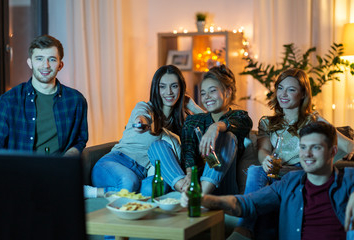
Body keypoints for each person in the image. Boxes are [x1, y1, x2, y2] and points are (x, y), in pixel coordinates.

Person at [181, 121, 354, 240]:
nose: (307, 154)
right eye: (303, 147)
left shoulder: (349, 180)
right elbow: (246, 203)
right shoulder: (290, 183)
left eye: (315, 148)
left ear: (333, 152)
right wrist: (203, 199)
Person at [234, 68, 354, 239]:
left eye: (291, 89)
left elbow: (349, 147)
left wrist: (319, 119)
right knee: (256, 170)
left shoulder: (312, 123)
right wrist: (266, 159)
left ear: (303, 94)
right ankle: (243, 229)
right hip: (274, 172)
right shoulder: (267, 122)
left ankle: (243, 229)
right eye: (280, 88)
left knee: (265, 174)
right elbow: (263, 150)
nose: (283, 94)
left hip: (299, 174)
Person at [90, 65, 203, 198]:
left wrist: (193, 106)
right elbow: (143, 116)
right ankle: (89, 192)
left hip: (142, 174)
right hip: (116, 162)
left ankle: (131, 193)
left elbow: (210, 122)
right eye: (162, 86)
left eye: (174, 86)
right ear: (156, 89)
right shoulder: (145, 107)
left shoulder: (181, 121)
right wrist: (141, 122)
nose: (169, 92)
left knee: (154, 189)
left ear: (181, 88)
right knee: (128, 183)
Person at [149, 64, 252, 195]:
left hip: (223, 188)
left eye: (212, 91)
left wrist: (215, 127)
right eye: (203, 93)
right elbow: (188, 153)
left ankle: (200, 196)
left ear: (228, 91)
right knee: (156, 146)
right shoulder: (194, 121)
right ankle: (187, 190)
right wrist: (189, 176)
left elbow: (241, 122)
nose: (207, 96)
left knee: (227, 137)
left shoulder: (240, 117)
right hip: (194, 183)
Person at [0, 34, 88, 156]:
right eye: (39, 58)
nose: (46, 65)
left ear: (60, 65)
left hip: (58, 170)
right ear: (30, 63)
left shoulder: (76, 100)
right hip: (19, 171)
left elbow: (80, 139)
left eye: (52, 59)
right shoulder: (8, 101)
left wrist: (68, 158)